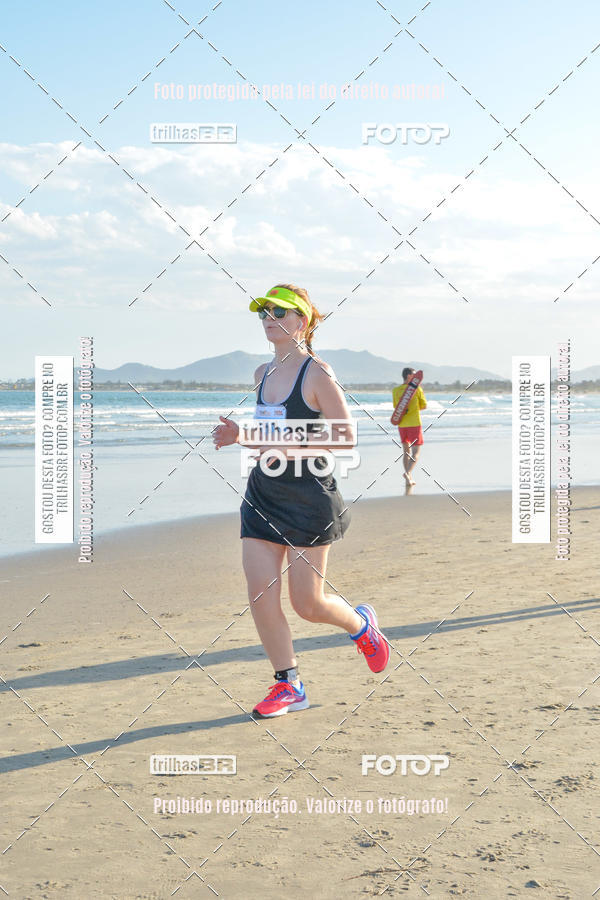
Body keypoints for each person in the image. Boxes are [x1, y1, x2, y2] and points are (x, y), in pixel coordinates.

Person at [213, 283, 390, 717]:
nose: (270, 317)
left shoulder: (318, 374)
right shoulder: (262, 374)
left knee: (308, 605)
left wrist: (250, 435)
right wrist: (242, 439)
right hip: (263, 494)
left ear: (303, 321)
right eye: (264, 312)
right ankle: (289, 684)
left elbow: (344, 436)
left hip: (309, 499)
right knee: (260, 595)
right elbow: (271, 441)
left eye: (281, 311)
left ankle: (361, 625)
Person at [392, 367, 427, 494]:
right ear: (408, 376)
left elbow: (397, 407)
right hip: (414, 424)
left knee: (406, 452)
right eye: (413, 375)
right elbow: (424, 406)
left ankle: (409, 479)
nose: (416, 377)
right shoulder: (417, 389)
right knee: (416, 453)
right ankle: (407, 473)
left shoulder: (395, 390)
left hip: (402, 425)